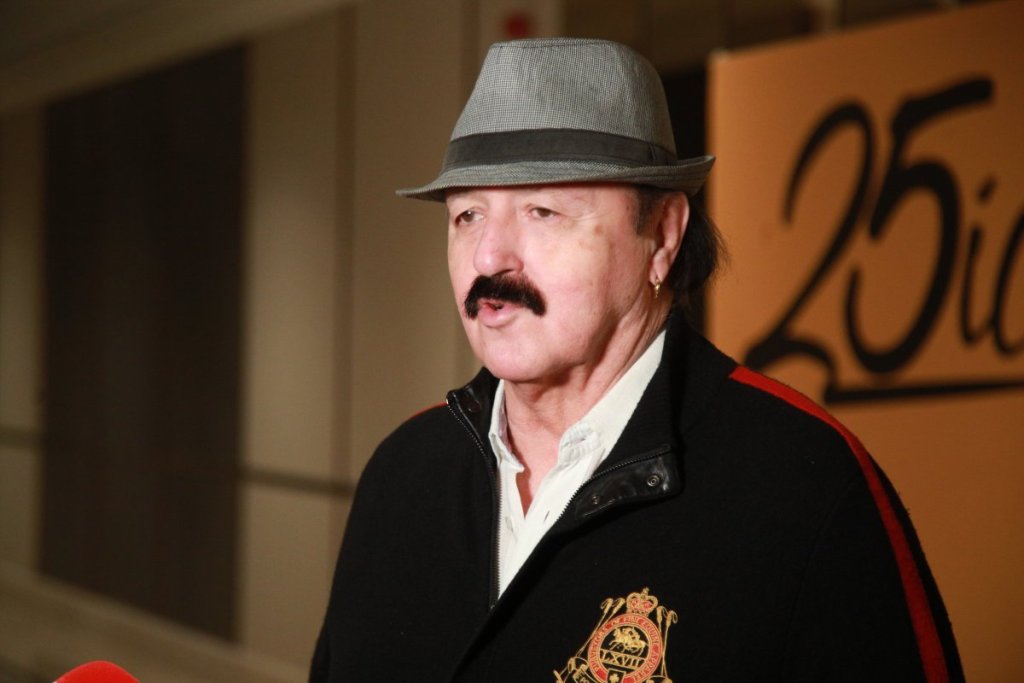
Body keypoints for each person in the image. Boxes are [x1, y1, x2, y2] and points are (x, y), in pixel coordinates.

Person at [309, 37, 962, 682]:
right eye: (468, 217)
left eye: (542, 211)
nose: (488, 257)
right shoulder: (402, 472)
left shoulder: (804, 488)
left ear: (663, 236)